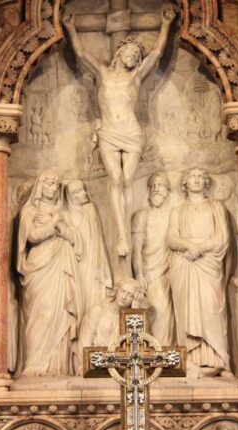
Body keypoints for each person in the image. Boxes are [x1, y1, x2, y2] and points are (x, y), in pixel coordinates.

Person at [63, 6, 177, 256]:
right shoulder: (103, 73)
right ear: (120, 52)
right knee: (116, 180)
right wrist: (71, 27)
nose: (133, 56)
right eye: (130, 52)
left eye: (136, 54)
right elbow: (81, 53)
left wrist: (166, 24)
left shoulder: (136, 77)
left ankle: (124, 230)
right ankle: (122, 235)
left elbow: (157, 52)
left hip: (131, 132)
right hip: (109, 132)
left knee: (127, 181)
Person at [167, 167, 233, 378]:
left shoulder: (216, 206)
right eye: (191, 176)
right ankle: (190, 362)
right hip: (184, 264)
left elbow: (222, 237)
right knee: (186, 312)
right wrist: (188, 246)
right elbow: (171, 238)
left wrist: (199, 249)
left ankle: (219, 361)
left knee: (211, 309)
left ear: (206, 182)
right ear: (185, 182)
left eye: (200, 176)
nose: (196, 180)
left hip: (207, 262)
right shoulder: (178, 210)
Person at [15, 170, 81, 377]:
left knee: (59, 312)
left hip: (60, 265)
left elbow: (74, 239)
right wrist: (54, 223)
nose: (53, 187)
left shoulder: (63, 212)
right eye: (49, 183)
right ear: (40, 186)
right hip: (40, 267)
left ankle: (56, 367)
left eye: (56, 184)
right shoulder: (30, 211)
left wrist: (58, 222)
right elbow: (32, 236)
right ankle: (34, 365)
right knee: (41, 313)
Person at [131, 172, 175, 345]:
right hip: (150, 273)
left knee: (170, 314)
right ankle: (157, 356)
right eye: (153, 186)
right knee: (157, 311)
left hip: (170, 271)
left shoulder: (174, 214)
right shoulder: (141, 215)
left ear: (168, 191)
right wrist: (139, 274)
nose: (156, 189)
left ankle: (166, 355)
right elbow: (136, 248)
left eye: (161, 185)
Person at [64, 179, 113, 316]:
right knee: (78, 293)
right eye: (78, 191)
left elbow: (98, 238)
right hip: (74, 263)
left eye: (83, 189)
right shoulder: (64, 215)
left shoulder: (90, 209)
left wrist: (102, 265)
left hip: (92, 260)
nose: (84, 193)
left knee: (94, 294)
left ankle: (94, 329)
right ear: (68, 196)